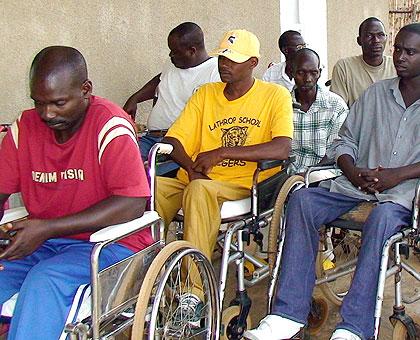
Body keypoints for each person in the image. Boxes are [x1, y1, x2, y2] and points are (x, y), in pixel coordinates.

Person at [244, 23, 420, 340]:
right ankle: (287, 313)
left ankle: (354, 326)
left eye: (410, 52)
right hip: (356, 185)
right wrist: (352, 171)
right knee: (302, 200)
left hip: (401, 196)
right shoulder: (376, 95)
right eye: (399, 49)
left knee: (380, 219)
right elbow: (344, 142)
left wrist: (396, 175)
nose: (400, 57)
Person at [0, 46, 152, 340]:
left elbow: (132, 204)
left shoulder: (110, 126)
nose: (47, 113)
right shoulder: (24, 128)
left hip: (108, 245)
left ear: (85, 89)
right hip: (42, 241)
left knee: (44, 282)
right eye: (39, 102)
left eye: (58, 102)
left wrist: (47, 228)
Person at [155, 29, 293, 319]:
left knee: (199, 191)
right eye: (222, 57)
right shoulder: (206, 95)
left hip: (242, 186)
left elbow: (282, 148)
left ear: (253, 62)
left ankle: (194, 292)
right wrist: (191, 169)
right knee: (147, 191)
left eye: (233, 59)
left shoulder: (274, 95)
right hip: (196, 180)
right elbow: (175, 139)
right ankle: (143, 279)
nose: (224, 64)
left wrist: (222, 153)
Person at [123, 22, 220, 168]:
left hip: (179, 145)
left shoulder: (214, 72)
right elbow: (160, 79)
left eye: (175, 51)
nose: (170, 55)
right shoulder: (174, 63)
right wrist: (135, 98)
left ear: (192, 51)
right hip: (151, 138)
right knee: (120, 163)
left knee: (144, 174)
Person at [289, 48, 348, 175]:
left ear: (319, 73)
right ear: (292, 72)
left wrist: (308, 174)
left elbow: (335, 151)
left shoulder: (336, 106)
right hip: (287, 176)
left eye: (313, 73)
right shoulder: (282, 105)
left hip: (324, 175)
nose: (308, 79)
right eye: (301, 72)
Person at [330, 17, 396, 107]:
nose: (376, 40)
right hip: (357, 120)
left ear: (386, 38)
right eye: (369, 35)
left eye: (380, 35)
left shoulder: (396, 65)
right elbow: (338, 108)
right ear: (359, 40)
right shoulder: (344, 67)